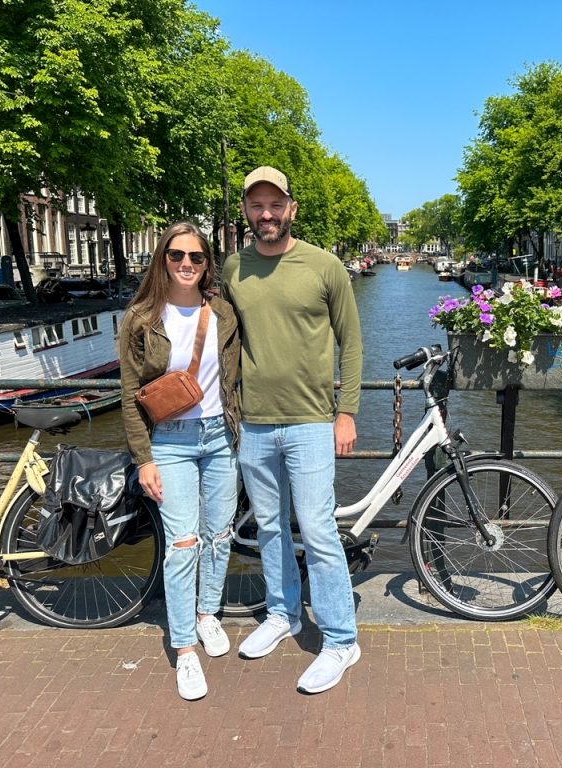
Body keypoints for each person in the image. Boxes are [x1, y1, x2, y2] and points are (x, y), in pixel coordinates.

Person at [222, 166, 363, 695]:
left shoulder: (325, 267)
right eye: (257, 205)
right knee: (271, 527)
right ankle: (284, 614)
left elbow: (352, 342)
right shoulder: (232, 268)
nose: (266, 214)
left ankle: (342, 640)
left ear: (291, 209)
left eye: (275, 204)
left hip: (309, 421)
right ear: (245, 212)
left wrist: (346, 411)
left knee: (319, 530)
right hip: (254, 423)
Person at [119, 222, 242, 701]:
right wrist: (144, 459)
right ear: (162, 259)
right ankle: (185, 648)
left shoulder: (225, 314)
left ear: (207, 262)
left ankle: (208, 613)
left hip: (220, 436)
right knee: (183, 542)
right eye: (176, 256)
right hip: (169, 441)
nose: (186, 264)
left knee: (219, 534)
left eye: (196, 256)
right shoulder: (141, 319)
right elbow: (131, 398)